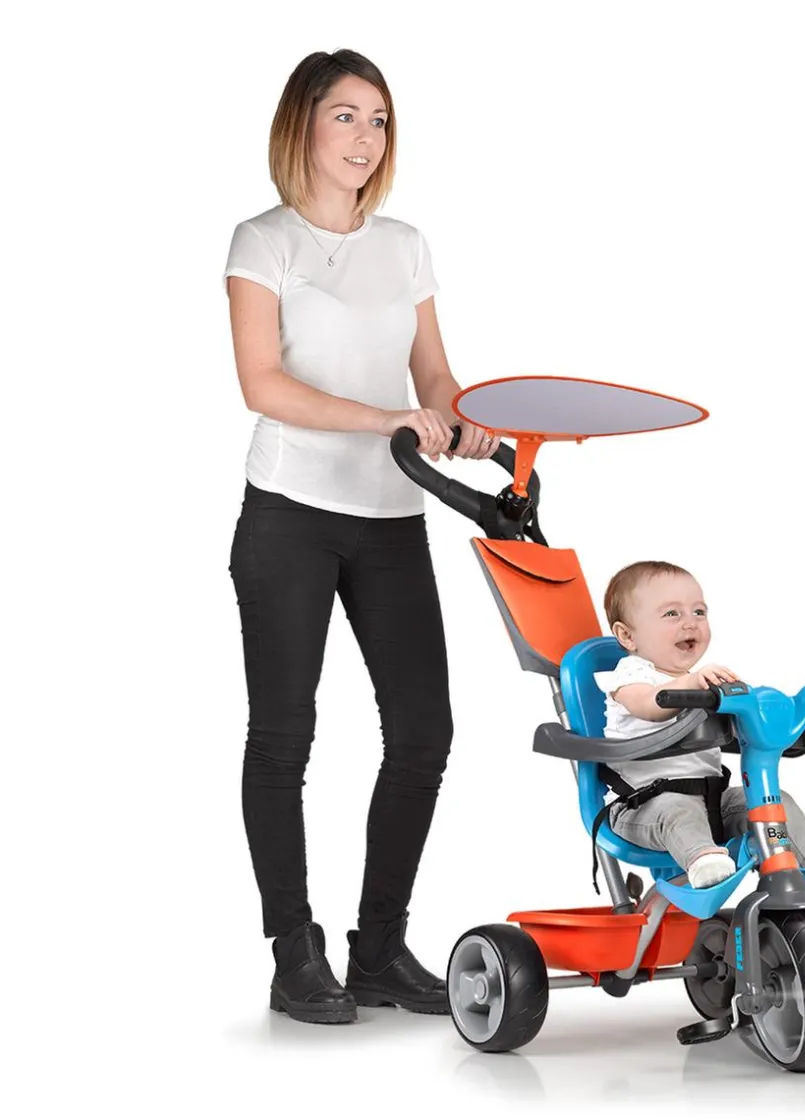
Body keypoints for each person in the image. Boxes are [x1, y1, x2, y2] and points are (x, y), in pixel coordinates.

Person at [223, 49, 497, 1024]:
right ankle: (292, 952)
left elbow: (435, 376)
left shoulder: (405, 245)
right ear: (301, 123)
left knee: (424, 732)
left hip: (391, 518)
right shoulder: (264, 242)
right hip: (288, 513)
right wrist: (385, 421)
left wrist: (464, 421)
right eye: (345, 115)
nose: (365, 137)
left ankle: (377, 950)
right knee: (283, 736)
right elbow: (263, 384)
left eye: (378, 120)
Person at [593, 561, 805, 888]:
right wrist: (691, 684)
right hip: (643, 808)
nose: (690, 622)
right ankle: (703, 860)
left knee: (772, 802)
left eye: (699, 612)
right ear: (627, 636)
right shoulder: (632, 674)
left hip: (712, 804)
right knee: (678, 810)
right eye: (672, 614)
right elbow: (649, 704)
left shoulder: (703, 682)